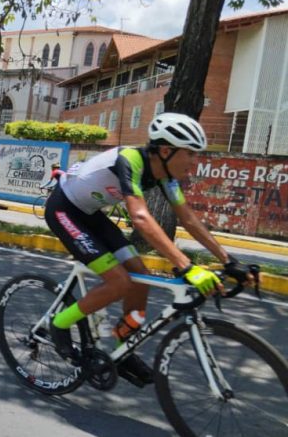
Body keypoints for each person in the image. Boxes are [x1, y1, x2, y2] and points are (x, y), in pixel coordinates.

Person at [44, 112, 254, 387]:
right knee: (119, 282)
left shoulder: (166, 177)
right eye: (190, 153)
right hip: (64, 210)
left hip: (91, 214)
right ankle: (59, 324)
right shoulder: (130, 160)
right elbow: (141, 218)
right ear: (166, 151)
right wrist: (187, 266)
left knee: (141, 278)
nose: (194, 161)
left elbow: (188, 219)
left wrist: (228, 261)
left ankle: (123, 348)